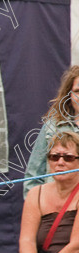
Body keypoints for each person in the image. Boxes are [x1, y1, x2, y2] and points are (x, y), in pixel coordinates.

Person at [24, 65, 79, 197]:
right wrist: (40, 211)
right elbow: (32, 177)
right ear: (68, 95)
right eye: (78, 91)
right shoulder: (52, 126)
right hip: (57, 211)